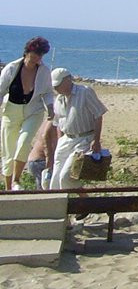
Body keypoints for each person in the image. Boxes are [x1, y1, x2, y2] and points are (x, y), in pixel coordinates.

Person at [1, 37, 57, 190]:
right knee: (8, 149)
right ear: (27, 52)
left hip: (34, 111)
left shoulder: (44, 71)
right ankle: (8, 187)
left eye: (41, 54)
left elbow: (47, 92)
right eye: (35, 53)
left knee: (24, 143)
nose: (38, 57)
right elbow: (1, 91)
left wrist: (50, 107)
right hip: (11, 111)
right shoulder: (12, 68)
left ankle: (17, 180)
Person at [48, 68, 107, 190]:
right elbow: (58, 122)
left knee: (66, 177)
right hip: (66, 140)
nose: (56, 88)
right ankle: (59, 206)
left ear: (68, 80)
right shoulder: (58, 99)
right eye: (55, 86)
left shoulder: (85, 92)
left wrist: (96, 140)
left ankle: (85, 202)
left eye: (58, 85)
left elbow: (98, 115)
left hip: (84, 139)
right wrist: (60, 140)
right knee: (55, 180)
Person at [25, 118, 58, 190]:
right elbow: (46, 138)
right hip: (40, 161)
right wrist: (49, 162)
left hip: (35, 161)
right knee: (46, 191)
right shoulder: (54, 121)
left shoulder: (50, 120)